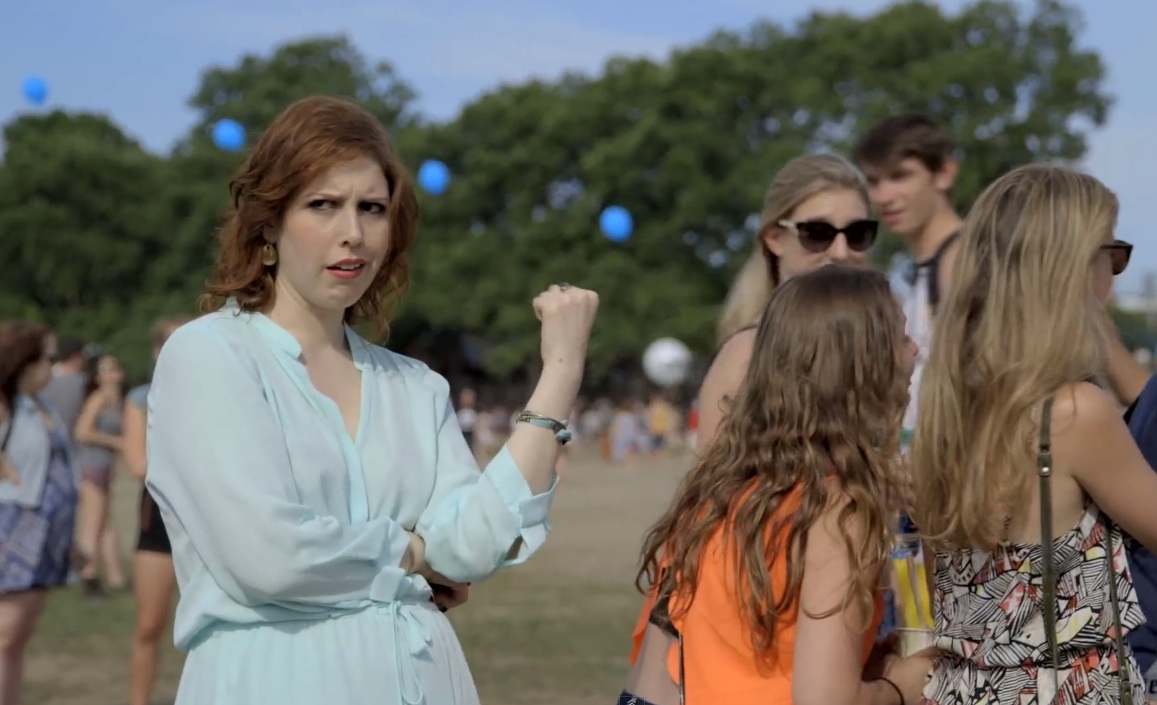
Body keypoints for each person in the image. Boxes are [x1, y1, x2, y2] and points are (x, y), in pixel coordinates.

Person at [144, 95, 599, 705]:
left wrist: (561, 371)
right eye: (323, 205)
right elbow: (267, 556)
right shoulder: (210, 356)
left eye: (372, 208)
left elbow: (473, 545)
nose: (352, 233)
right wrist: (411, 551)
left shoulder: (416, 385)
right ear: (269, 225)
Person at [627, 265, 932, 705]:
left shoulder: (726, 488)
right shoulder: (839, 511)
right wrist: (900, 688)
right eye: (902, 337)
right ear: (863, 366)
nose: (916, 349)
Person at [913, 164, 1152, 704]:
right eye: (1111, 255)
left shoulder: (946, 410)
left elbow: (944, 594)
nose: (1113, 276)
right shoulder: (1073, 413)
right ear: (1070, 269)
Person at [629, 152, 879, 666]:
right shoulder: (750, 353)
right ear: (774, 238)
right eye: (817, 232)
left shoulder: (865, 355)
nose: (841, 250)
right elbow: (712, 519)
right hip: (744, 645)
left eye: (859, 233)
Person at [0, 323, 78, 705]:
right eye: (49, 358)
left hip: (47, 532)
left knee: (16, 638)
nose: (55, 365)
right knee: (6, 634)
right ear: (26, 362)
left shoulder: (42, 406)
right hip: (15, 526)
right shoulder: (7, 401)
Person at [124, 316, 192, 705]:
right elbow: (137, 464)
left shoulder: (216, 394)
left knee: (213, 618)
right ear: (156, 351)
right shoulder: (141, 399)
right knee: (150, 624)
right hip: (160, 517)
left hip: (210, 515)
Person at [73, 351, 127, 596]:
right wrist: (117, 442)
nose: (113, 372)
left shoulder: (118, 400)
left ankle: (115, 578)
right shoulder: (98, 398)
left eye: (114, 367)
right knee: (92, 528)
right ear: (97, 377)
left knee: (105, 526)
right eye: (106, 369)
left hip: (105, 468)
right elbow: (83, 432)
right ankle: (88, 578)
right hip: (91, 468)